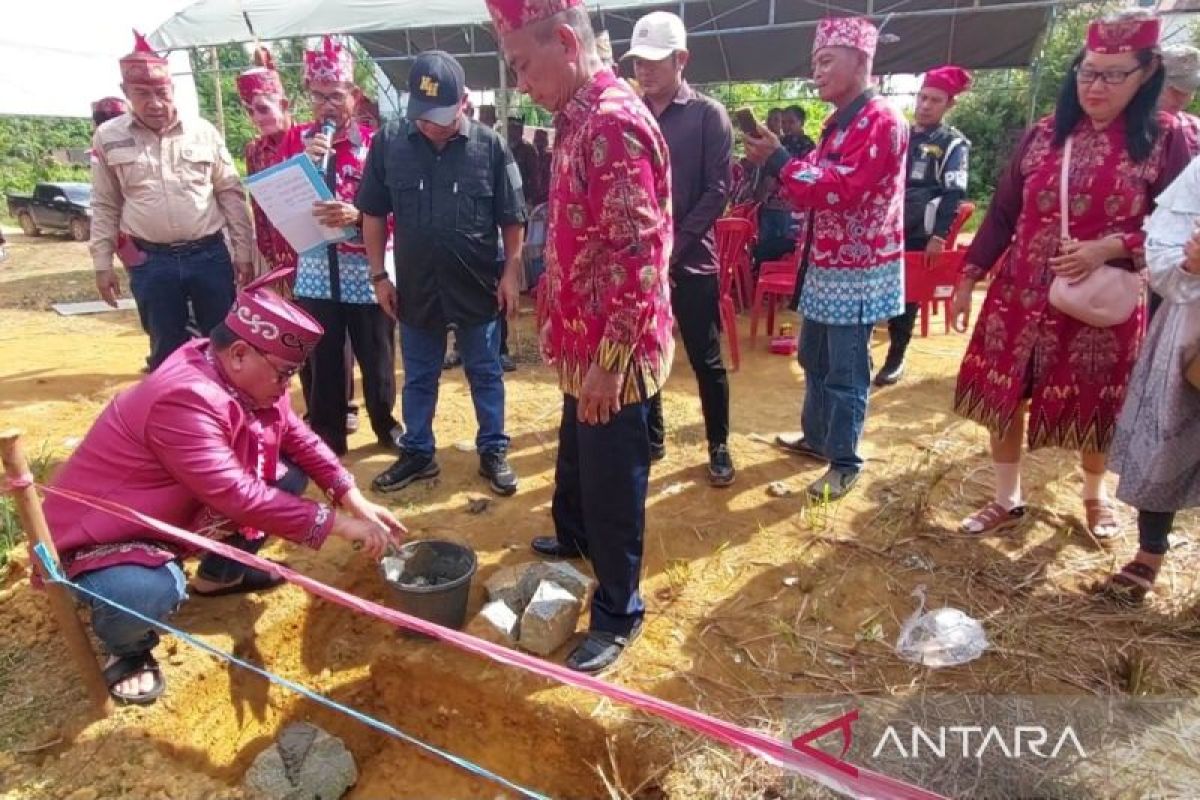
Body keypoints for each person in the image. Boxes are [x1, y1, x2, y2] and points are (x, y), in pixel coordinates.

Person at [42, 267, 405, 705]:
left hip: (175, 507)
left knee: (286, 475)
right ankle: (130, 648)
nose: (288, 385)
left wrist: (352, 496)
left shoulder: (237, 373)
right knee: (146, 591)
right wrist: (341, 526)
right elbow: (237, 495)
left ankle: (219, 576)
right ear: (238, 354)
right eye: (285, 373)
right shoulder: (186, 397)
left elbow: (296, 435)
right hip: (109, 530)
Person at [948, 11, 1190, 539]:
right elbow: (1004, 214)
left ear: (1146, 74)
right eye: (1087, 71)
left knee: (1097, 396)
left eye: (1112, 74)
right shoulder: (1042, 135)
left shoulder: (1166, 139)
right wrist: (969, 277)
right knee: (1004, 392)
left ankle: (1094, 496)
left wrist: (1111, 246)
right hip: (1020, 292)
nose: (1095, 85)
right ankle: (1005, 498)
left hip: (1102, 299)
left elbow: (1179, 226)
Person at [490, 0, 674, 672]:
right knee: (577, 455)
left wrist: (610, 361)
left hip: (611, 350)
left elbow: (639, 253)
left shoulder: (612, 123)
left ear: (565, 42)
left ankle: (620, 610)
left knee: (612, 480)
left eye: (522, 67)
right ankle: (572, 537)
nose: (522, 85)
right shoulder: (576, 117)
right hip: (582, 337)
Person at [744, 16, 907, 501]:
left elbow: (840, 189)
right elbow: (807, 187)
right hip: (824, 266)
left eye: (826, 61)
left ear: (861, 62)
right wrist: (779, 163)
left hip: (858, 272)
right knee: (813, 356)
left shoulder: (881, 122)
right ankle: (817, 438)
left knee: (846, 370)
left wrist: (778, 160)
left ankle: (845, 460)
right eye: (815, 62)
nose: (816, 72)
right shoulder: (838, 124)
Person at [358, 51, 527, 497]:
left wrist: (511, 271)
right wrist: (379, 276)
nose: (430, 125)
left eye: (441, 116)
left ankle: (492, 449)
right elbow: (372, 214)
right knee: (418, 373)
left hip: (477, 284)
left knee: (486, 371)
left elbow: (513, 218)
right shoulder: (389, 142)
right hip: (416, 287)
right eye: (422, 115)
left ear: (464, 102)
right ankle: (418, 451)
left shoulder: (489, 146)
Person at [90, 32, 253, 371]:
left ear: (172, 89)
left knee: (224, 343)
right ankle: (177, 418)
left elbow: (230, 194)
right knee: (165, 349)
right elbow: (105, 204)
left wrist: (243, 253)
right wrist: (102, 263)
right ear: (125, 92)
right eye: (142, 94)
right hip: (151, 261)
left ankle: (226, 418)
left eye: (161, 92)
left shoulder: (203, 131)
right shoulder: (109, 137)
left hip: (209, 255)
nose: (154, 103)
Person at [625, 11, 735, 486]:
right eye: (638, 62)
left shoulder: (708, 115)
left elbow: (718, 190)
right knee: (643, 352)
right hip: (643, 264)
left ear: (681, 60)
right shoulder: (631, 114)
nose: (644, 71)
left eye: (655, 61)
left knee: (704, 358)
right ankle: (653, 436)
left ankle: (719, 445)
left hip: (691, 263)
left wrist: (672, 246)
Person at [284, 35, 402, 456]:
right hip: (316, 271)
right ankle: (329, 435)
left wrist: (359, 216)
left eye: (335, 96)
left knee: (377, 356)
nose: (327, 106)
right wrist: (303, 164)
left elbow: (397, 208)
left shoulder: (377, 145)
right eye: (318, 97)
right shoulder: (295, 143)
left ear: (353, 95)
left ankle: (386, 426)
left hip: (365, 268)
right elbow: (276, 202)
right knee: (325, 358)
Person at [1101, 157, 1200, 604]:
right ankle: (1150, 550)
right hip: (1191, 329)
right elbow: (1160, 259)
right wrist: (1190, 264)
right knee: (1167, 439)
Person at [876, 65, 973, 387]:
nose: (925, 105)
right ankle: (862, 355)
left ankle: (896, 357)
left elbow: (954, 193)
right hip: (887, 228)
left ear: (949, 104)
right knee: (875, 288)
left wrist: (939, 236)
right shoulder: (901, 133)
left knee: (907, 296)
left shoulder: (953, 144)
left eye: (934, 99)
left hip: (921, 231)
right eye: (922, 97)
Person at [238, 46, 296, 276]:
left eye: (263, 109)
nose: (257, 119)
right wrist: (269, 256)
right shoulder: (254, 151)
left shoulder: (310, 140)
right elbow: (258, 208)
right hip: (277, 251)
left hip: (317, 253)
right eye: (250, 112)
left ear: (283, 105)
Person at [1159, 44, 1200, 157]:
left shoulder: (1195, 132)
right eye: (1176, 90)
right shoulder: (1120, 126)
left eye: (1190, 90)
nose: (1183, 98)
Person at [529, 128, 552, 208]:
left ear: (546, 143)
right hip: (532, 198)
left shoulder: (551, 158)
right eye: (537, 141)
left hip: (546, 197)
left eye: (542, 141)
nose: (539, 144)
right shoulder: (529, 157)